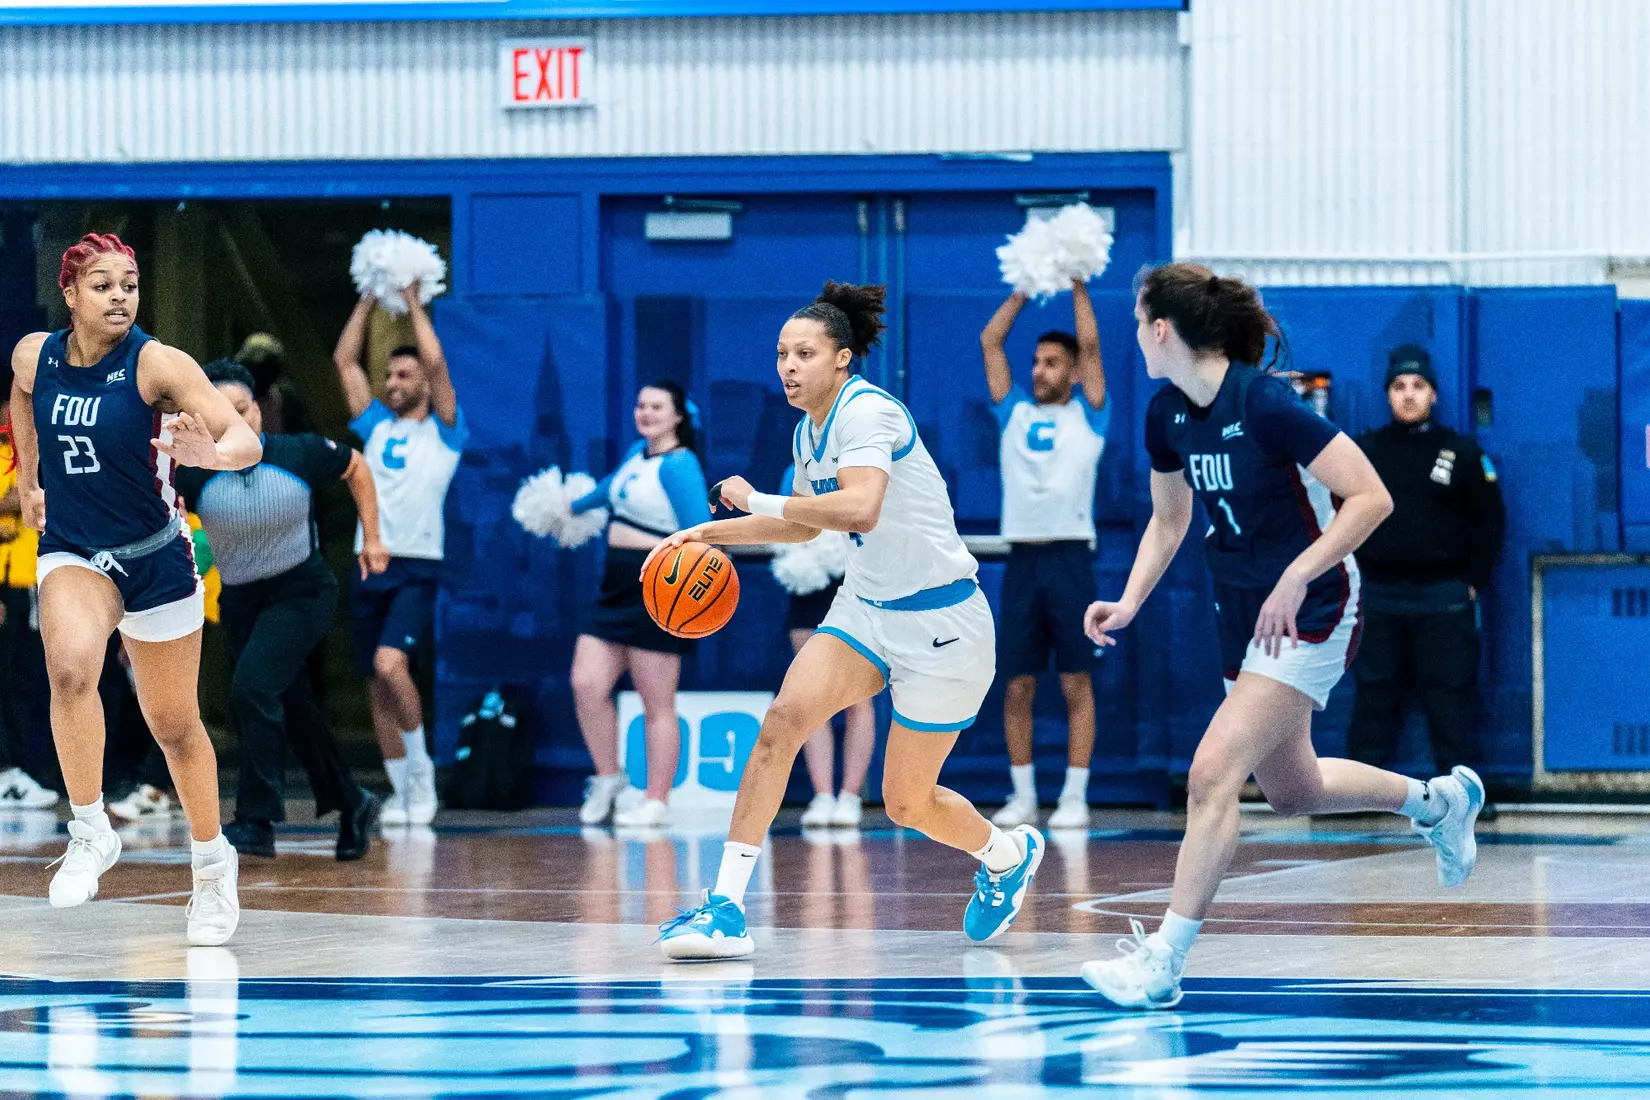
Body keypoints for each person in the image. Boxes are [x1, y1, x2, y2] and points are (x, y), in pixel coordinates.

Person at [1077, 264, 1485, 1010]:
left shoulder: (1267, 404)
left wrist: (1298, 574)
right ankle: (1439, 803)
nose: (1134, 336)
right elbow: (1171, 520)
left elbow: (1371, 498)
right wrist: (1130, 599)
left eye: (1138, 323)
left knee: (1210, 772)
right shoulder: (1165, 413)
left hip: (1315, 602)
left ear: (1161, 329)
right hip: (1239, 609)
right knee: (1292, 789)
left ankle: (1164, 960)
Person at [653, 281, 1044, 961]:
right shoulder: (811, 432)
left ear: (842, 359)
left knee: (906, 804)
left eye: (804, 352)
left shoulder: (869, 414)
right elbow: (803, 529)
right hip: (865, 609)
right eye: (781, 353)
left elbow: (859, 509)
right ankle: (724, 908)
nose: (788, 366)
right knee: (781, 725)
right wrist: (705, 535)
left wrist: (756, 495)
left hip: (944, 626)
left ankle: (1008, 854)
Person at [9, 232, 261, 945]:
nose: (120, 296)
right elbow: (21, 391)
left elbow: (246, 440)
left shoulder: (157, 364)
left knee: (175, 727)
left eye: (129, 284)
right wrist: (29, 479)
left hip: (156, 556)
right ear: (71, 295)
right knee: (68, 667)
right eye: (103, 285)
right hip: (74, 551)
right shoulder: (39, 354)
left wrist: (211, 453)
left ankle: (213, 869)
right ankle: (90, 830)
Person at [177, 358, 391, 861]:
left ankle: (256, 820)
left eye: (244, 409)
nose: (237, 420)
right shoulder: (193, 475)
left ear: (260, 409)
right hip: (242, 601)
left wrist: (373, 537)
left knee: (252, 687)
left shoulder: (298, 453)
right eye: (222, 412)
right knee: (292, 706)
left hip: (302, 592)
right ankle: (352, 800)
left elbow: (356, 467)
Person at [1347, 346, 1506, 821]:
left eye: (1417, 386)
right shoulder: (1364, 452)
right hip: (1378, 594)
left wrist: (1472, 581)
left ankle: (1465, 802)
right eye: (1399, 386)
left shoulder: (1461, 452)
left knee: (1449, 699)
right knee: (1375, 695)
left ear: (1433, 394)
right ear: (1388, 395)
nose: (1409, 394)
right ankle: (1355, 798)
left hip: (1443, 596)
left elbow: (1491, 521)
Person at [980, 280, 1110, 830]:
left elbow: (1093, 344)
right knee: (1017, 684)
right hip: (1022, 564)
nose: (1039, 370)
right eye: (1036, 361)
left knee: (1076, 681)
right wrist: (1024, 290)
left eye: (1053, 362)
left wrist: (1077, 282)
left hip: (1071, 562)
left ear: (1075, 372)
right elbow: (991, 340)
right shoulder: (1012, 414)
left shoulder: (1090, 416)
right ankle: (1025, 797)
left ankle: (1075, 797)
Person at [333, 286, 466, 826]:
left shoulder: (446, 432)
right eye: (389, 375)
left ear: (426, 388)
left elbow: (436, 362)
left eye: (403, 376)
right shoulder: (375, 426)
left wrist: (413, 303)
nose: (393, 383)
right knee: (374, 680)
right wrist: (364, 300)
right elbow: (344, 361)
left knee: (393, 664)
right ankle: (398, 790)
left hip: (416, 563)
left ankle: (420, 771)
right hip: (369, 561)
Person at [570, 380, 711, 829]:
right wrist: (555, 505)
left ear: (677, 417)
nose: (645, 412)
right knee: (586, 683)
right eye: (640, 405)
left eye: (656, 406)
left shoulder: (680, 465)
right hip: (614, 592)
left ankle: (656, 800)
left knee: (657, 702)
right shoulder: (636, 454)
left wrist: (648, 545)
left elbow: (703, 535)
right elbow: (596, 497)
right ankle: (608, 777)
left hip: (658, 594)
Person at [775, 464, 877, 829]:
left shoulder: (866, 464)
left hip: (858, 583)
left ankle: (850, 796)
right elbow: (785, 518)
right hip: (808, 586)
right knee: (811, 698)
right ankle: (822, 796)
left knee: (858, 698)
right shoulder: (795, 469)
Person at [0, 398, 58, 809]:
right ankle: (8, 772)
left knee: (30, 679)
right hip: (5, 585)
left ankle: (27, 770)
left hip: (40, 581)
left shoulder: (46, 449)